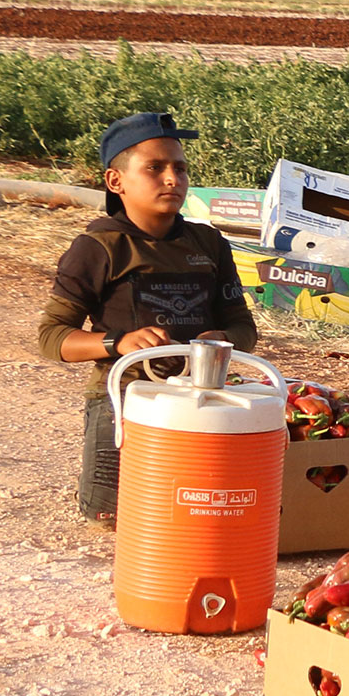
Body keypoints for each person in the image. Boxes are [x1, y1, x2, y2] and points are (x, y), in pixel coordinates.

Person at [35, 112, 256, 521]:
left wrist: (223, 340)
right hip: (125, 401)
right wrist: (118, 343)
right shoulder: (98, 247)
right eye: (155, 168)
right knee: (109, 515)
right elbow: (52, 337)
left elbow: (245, 328)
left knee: (207, 511)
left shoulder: (209, 244)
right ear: (115, 181)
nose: (172, 179)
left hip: (202, 399)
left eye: (180, 168)